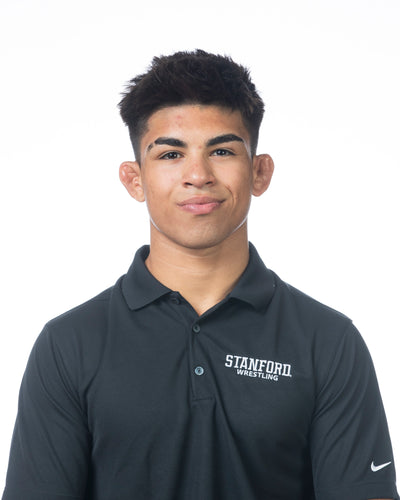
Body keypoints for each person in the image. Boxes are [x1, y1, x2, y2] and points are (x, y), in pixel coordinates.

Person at [2, 50, 398, 500]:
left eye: (222, 151)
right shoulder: (69, 345)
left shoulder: (328, 342)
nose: (197, 175)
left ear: (259, 172)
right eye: (171, 153)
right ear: (135, 180)